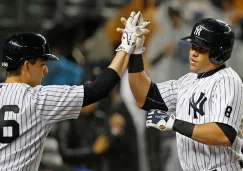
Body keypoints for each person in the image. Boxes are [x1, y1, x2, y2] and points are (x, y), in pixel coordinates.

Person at [0, 11, 149, 171]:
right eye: (42, 64)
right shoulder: (40, 99)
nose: (46, 70)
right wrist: (127, 45)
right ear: (27, 66)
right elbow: (99, 88)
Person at [128, 17, 243, 171]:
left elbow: (223, 134)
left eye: (201, 48)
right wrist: (135, 52)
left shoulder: (228, 80)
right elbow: (144, 97)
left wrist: (174, 123)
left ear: (218, 53)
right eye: (193, 46)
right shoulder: (187, 81)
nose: (193, 53)